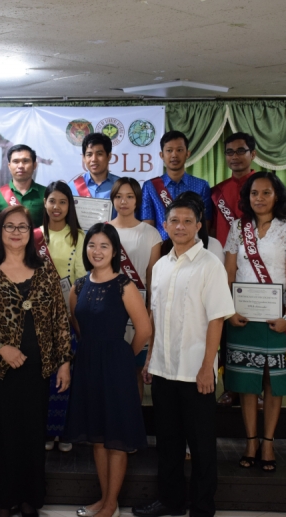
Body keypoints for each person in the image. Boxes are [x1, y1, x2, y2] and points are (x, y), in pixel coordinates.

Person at [0, 205, 72, 517]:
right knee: (3, 433)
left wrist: (64, 362)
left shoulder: (45, 269)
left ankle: (30, 499)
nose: (16, 232)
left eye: (23, 227)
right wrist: (0, 347)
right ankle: (5, 498)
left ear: (31, 232)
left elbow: (60, 319)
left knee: (33, 434)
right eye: (9, 226)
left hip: (38, 368)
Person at [133, 197, 234, 517]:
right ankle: (171, 500)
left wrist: (208, 367)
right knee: (169, 443)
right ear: (164, 225)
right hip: (163, 370)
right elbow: (155, 317)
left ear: (198, 226)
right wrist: (150, 360)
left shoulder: (209, 265)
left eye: (187, 221)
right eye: (174, 221)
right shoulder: (160, 266)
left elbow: (217, 318)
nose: (180, 226)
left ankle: (203, 507)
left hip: (195, 372)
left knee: (202, 446)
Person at [64, 223, 152, 517]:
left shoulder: (124, 285)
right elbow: (77, 324)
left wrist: (124, 356)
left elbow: (144, 329)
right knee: (97, 438)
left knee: (116, 439)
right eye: (92, 245)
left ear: (115, 251)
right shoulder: (78, 286)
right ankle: (103, 500)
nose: (97, 251)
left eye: (104, 246)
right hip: (88, 364)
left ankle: (111, 503)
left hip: (117, 366)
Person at [223, 172, 286, 472]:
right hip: (242, 318)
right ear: (247, 197)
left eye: (266, 193)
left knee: (272, 382)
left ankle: (268, 441)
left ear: (277, 196)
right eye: (254, 193)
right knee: (247, 383)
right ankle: (250, 441)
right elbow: (229, 270)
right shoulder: (238, 227)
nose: (259, 198)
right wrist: (228, 310)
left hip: (275, 319)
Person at [37, 181, 87, 452]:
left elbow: (82, 279)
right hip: (36, 318)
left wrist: (73, 315)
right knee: (43, 377)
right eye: (52, 201)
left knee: (67, 376)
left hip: (69, 317)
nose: (57, 207)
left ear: (70, 206)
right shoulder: (33, 236)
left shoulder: (79, 236)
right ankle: (45, 430)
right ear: (44, 203)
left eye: (63, 202)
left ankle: (65, 431)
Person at [209, 132, 256, 407]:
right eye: (229, 152)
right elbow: (213, 230)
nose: (235, 157)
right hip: (225, 267)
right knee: (227, 328)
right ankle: (232, 387)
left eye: (241, 151)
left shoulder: (263, 185)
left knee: (253, 327)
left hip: (257, 270)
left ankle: (255, 388)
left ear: (253, 154)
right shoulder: (217, 191)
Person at [109, 177, 162, 400]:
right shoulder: (102, 230)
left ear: (137, 201)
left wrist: (150, 311)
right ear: (112, 199)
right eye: (119, 196)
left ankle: (133, 428)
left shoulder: (150, 233)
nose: (124, 201)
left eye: (130, 196)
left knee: (134, 372)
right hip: (109, 310)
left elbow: (153, 279)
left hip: (139, 312)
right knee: (109, 373)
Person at [141, 131, 212, 239]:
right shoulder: (150, 186)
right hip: (161, 249)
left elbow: (205, 224)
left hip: (192, 247)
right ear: (162, 155)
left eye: (179, 150)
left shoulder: (201, 186)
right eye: (169, 150)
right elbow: (148, 225)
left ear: (187, 153)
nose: (174, 155)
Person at [0, 144, 47, 228]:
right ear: (9, 166)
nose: (21, 166)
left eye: (25, 161)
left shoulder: (47, 194)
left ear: (34, 165)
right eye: (15, 161)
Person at [70, 133, 120, 199]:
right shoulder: (72, 187)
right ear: (84, 158)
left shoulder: (121, 186)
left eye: (99, 154)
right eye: (89, 155)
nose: (94, 159)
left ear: (109, 156)